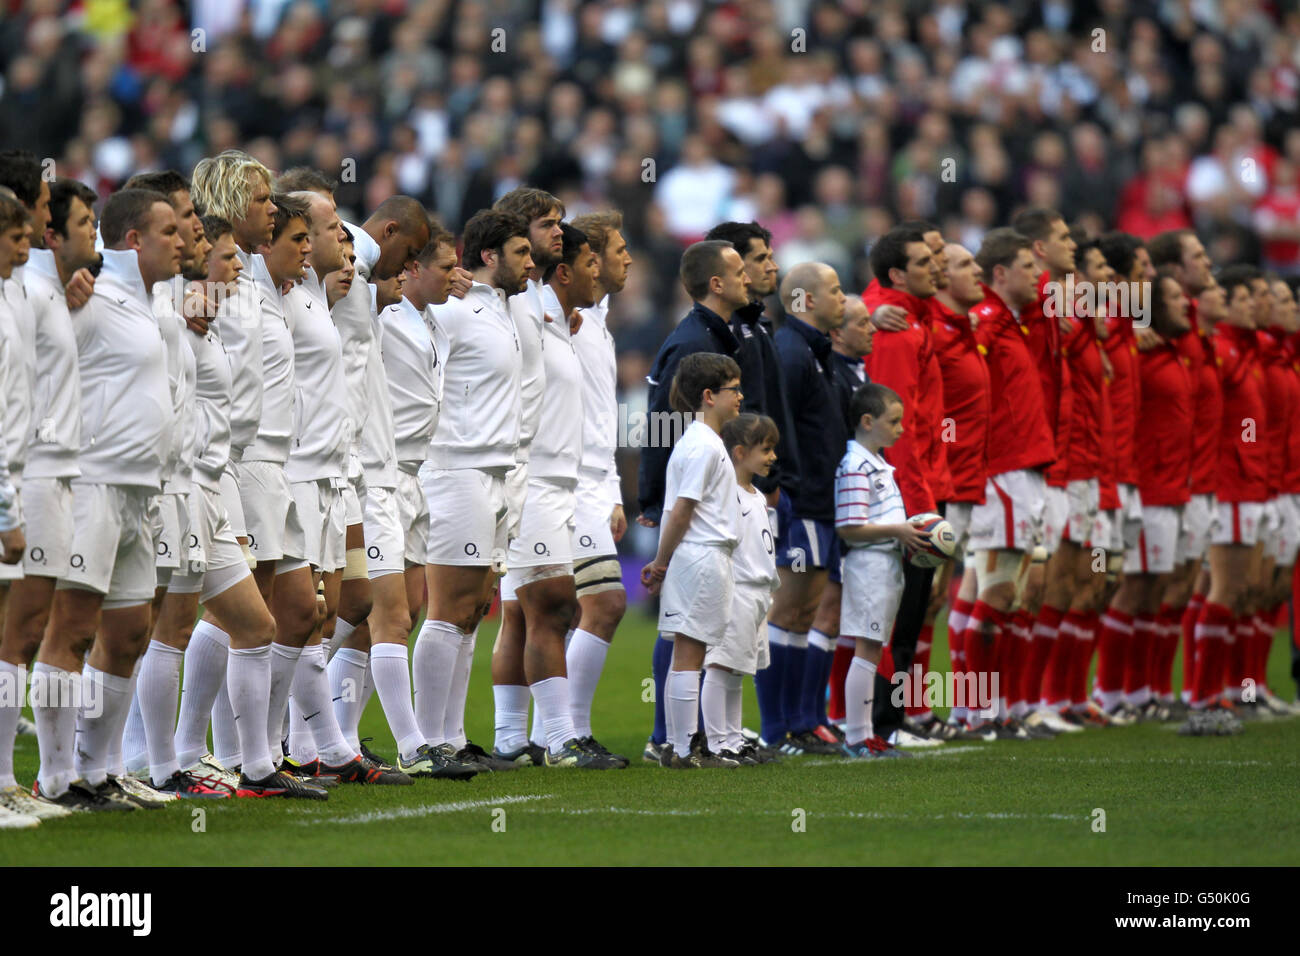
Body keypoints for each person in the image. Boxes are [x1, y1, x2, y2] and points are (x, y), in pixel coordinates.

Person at [29, 189, 180, 811]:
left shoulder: (157, 300)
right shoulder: (90, 294)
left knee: (128, 634)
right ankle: (56, 777)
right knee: (71, 631)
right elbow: (36, 354)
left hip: (142, 490)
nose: (180, 240)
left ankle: (97, 771)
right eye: (168, 230)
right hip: (92, 483)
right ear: (133, 241)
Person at [493, 222, 622, 768]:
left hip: (566, 480)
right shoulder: (530, 312)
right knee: (562, 607)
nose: (620, 264)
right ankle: (557, 736)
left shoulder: (577, 322)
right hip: (540, 482)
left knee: (523, 615)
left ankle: (513, 740)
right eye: (605, 257)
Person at [0, 179, 98, 821]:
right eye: (20, 230)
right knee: (15, 635)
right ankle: (6, 779)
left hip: (47, 471)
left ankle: (11, 779)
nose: (30, 238)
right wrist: (8, 503)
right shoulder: (28, 290)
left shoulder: (39, 290)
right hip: (24, 476)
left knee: (26, 632)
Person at [416, 208, 526, 774]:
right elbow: (393, 302)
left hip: (496, 473)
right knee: (448, 607)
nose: (532, 262)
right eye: (522, 253)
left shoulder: (506, 309)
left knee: (474, 608)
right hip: (456, 468)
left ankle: (454, 739)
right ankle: (428, 743)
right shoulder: (454, 310)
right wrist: (441, 284)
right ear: (489, 257)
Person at [372, 221, 476, 778]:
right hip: (377, 474)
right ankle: (415, 747)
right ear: (410, 267)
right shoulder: (379, 313)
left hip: (416, 475)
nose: (456, 275)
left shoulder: (434, 320)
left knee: (399, 611)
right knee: (386, 616)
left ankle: (327, 732)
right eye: (445, 266)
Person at [640, 240, 752, 760]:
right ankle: (681, 746)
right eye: (733, 389)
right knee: (689, 653)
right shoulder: (702, 445)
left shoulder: (702, 442)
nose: (740, 397)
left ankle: (683, 743)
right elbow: (681, 509)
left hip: (706, 557)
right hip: (700, 557)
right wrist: (661, 561)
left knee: (695, 651)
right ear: (710, 396)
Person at [965, 228, 1055, 736]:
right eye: (1028, 266)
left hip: (1027, 472)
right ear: (1000, 274)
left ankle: (1009, 707)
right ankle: (979, 711)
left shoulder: (1012, 324)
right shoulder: (983, 324)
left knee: (1020, 598)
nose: (1038, 276)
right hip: (1001, 473)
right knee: (997, 596)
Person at [861, 225, 946, 747]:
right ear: (897, 274)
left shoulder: (912, 318)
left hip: (922, 485)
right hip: (905, 494)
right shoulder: (894, 328)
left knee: (907, 615)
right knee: (895, 617)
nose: (935, 267)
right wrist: (918, 506)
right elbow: (898, 431)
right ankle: (884, 724)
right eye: (925, 261)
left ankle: (894, 720)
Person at [763, 260, 848, 756]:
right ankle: (778, 729)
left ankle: (800, 722)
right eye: (835, 290)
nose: (842, 297)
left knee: (806, 612)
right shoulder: (791, 352)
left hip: (822, 501)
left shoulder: (814, 351)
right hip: (804, 502)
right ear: (806, 300)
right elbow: (780, 427)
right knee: (790, 611)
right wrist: (787, 488)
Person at [565, 211, 632, 748]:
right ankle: (570, 732)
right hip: (559, 484)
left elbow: (598, 415)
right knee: (605, 604)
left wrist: (611, 488)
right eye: (616, 250)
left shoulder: (597, 321)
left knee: (543, 612)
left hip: (589, 483)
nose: (627, 258)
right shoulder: (565, 319)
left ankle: (525, 735)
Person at [835, 382, 930, 758]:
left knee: (872, 649)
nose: (901, 429)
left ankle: (864, 734)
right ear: (867, 421)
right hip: (868, 567)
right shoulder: (855, 465)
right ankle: (858, 737)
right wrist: (899, 530)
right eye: (894, 422)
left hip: (885, 565)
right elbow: (848, 527)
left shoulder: (876, 463)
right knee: (866, 649)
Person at [702, 413, 781, 764]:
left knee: (739, 669)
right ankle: (717, 742)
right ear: (738, 452)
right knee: (720, 665)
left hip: (758, 593)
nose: (773, 456)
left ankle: (733, 738)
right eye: (765, 449)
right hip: (736, 590)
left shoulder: (757, 496)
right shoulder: (726, 495)